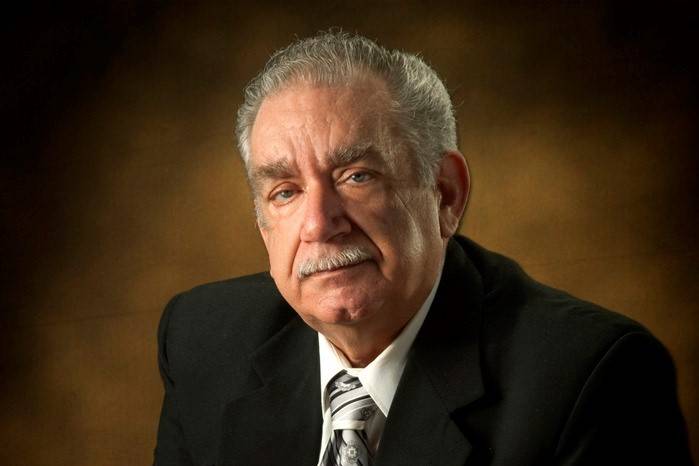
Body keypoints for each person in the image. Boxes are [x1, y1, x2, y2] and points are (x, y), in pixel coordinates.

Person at [154, 31, 692, 466]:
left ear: (445, 194)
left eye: (356, 176)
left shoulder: (593, 380)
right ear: (262, 223)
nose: (318, 224)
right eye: (285, 192)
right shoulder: (201, 341)